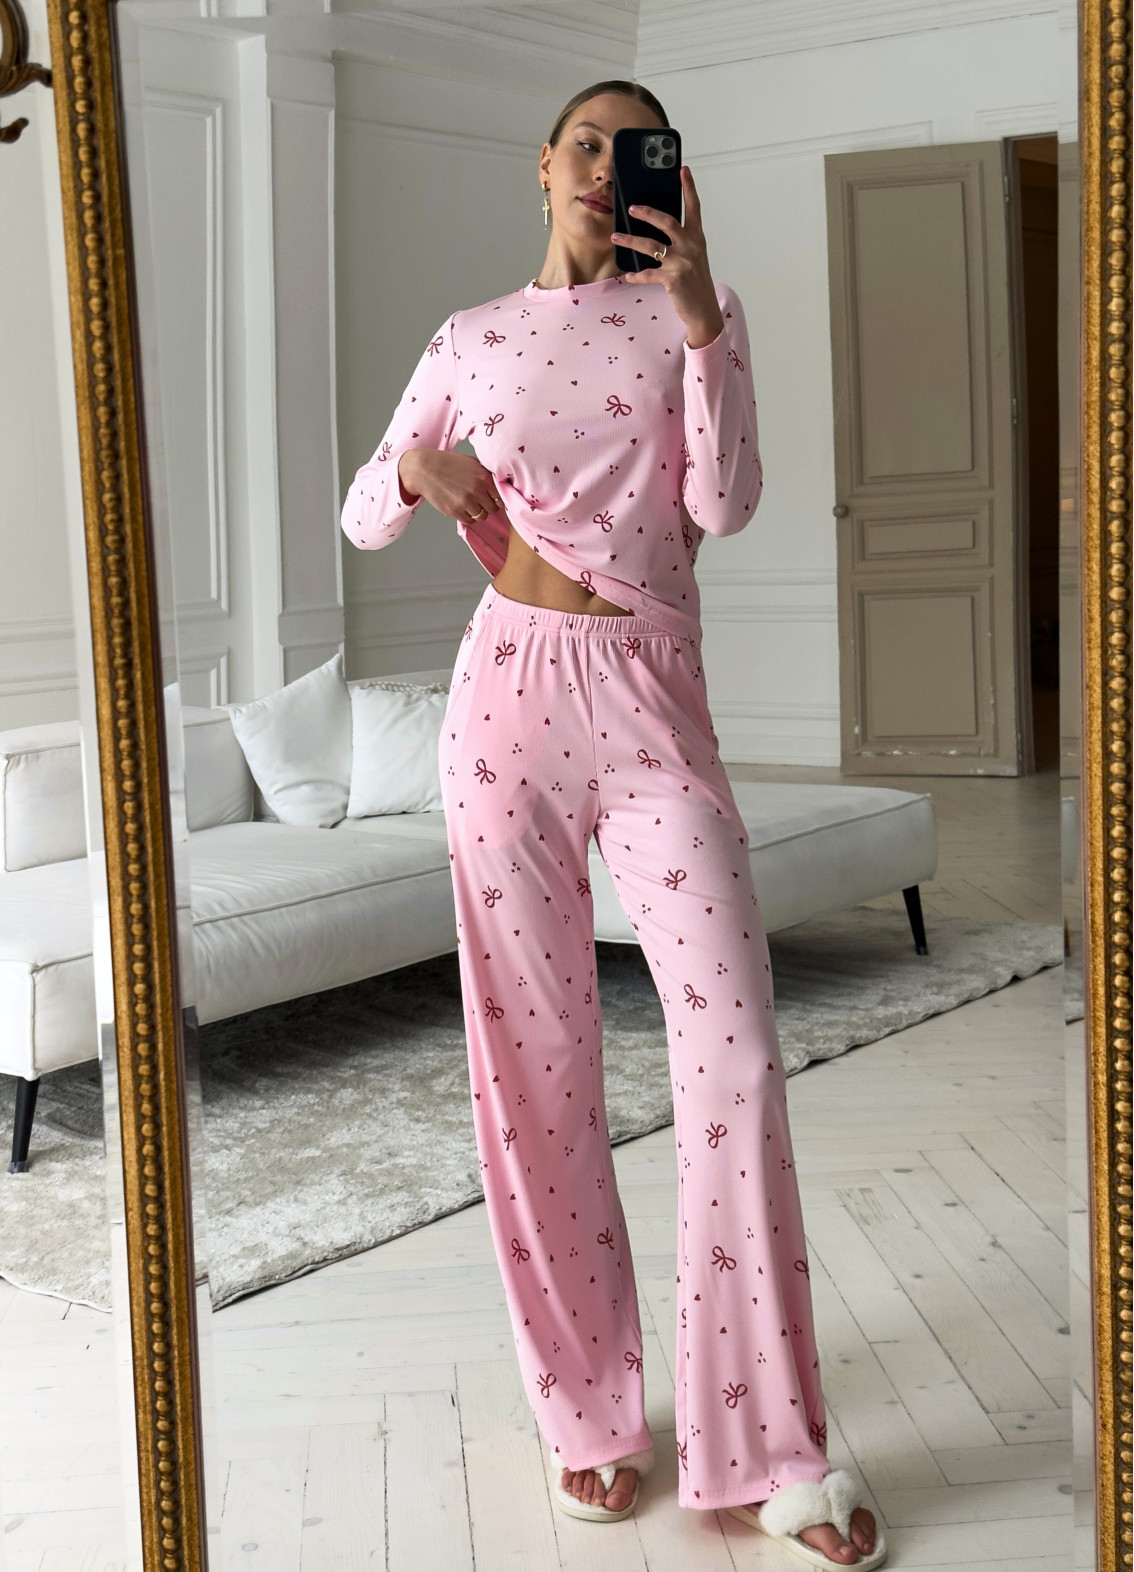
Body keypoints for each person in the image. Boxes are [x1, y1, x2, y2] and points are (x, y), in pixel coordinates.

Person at [342, 79, 883, 1570]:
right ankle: (588, 1413)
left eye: (634, 151)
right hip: (504, 702)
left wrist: (701, 316)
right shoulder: (469, 337)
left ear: (666, 182)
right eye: (585, 143)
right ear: (544, 167)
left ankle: (769, 1451)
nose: (604, 168)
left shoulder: (692, 318)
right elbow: (363, 512)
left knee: (737, 1051)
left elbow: (725, 503)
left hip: (651, 703)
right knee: (533, 1064)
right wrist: (414, 466)